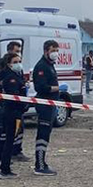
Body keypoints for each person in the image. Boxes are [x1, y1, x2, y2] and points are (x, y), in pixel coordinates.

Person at [0, 52, 27, 178]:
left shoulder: (3, 75)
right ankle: (5, 169)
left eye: (19, 61)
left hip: (6, 110)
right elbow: (14, 96)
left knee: (3, 139)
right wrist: (22, 107)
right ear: (9, 64)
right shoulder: (10, 77)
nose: (18, 65)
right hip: (12, 111)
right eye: (15, 62)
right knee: (9, 141)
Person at [31, 40, 61, 176]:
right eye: (53, 50)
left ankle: (42, 162)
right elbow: (41, 87)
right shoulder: (42, 66)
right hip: (44, 104)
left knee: (46, 134)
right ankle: (40, 165)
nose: (55, 53)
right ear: (46, 51)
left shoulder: (50, 65)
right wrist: (56, 88)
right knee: (42, 135)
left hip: (51, 104)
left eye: (57, 50)